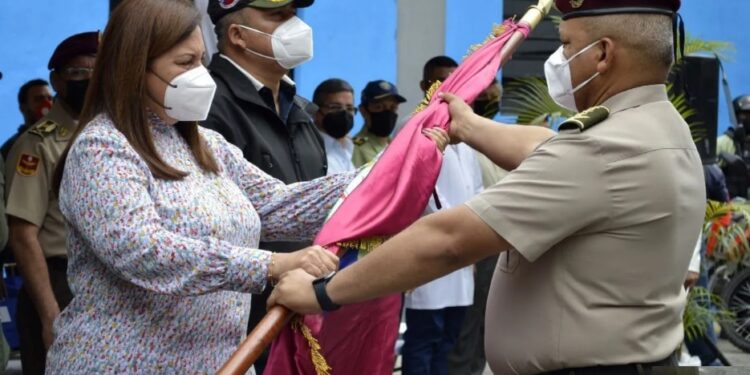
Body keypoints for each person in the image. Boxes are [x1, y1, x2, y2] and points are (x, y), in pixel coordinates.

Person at [270, 1, 706, 375]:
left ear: (604, 54)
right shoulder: (657, 126)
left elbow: (449, 240)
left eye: (569, 45)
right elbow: (550, 148)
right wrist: (470, 125)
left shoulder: (606, 150)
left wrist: (324, 292)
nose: (561, 58)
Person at [45, 2, 447, 372]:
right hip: (124, 363)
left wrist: (391, 169)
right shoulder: (104, 148)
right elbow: (140, 249)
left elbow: (277, 205)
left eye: (200, 61)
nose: (200, 76)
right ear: (134, 68)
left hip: (221, 360)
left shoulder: (204, 144)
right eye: (184, 63)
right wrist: (270, 265)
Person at [202, 2, 327, 369]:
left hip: (300, 301)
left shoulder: (300, 108)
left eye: (292, 14)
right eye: (276, 16)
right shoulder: (208, 106)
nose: (294, 26)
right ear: (238, 35)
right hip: (238, 315)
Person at [4, 31, 98, 375]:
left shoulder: (114, 134)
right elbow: (23, 234)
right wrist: (49, 315)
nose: (87, 80)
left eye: (95, 70)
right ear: (56, 80)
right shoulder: (37, 145)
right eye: (76, 73)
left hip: (103, 284)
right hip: (58, 282)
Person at [401, 56, 481, 375]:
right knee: (424, 338)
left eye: (455, 83)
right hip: (429, 249)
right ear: (425, 87)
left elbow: (475, 190)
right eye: (440, 82)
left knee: (450, 339)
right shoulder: (415, 127)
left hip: (463, 253)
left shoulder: (467, 132)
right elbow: (416, 191)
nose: (449, 91)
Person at [351, 80, 406, 167]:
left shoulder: (398, 145)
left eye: (393, 107)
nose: (387, 113)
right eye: (379, 107)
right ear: (363, 111)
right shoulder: (356, 146)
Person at [312, 79, 357, 175]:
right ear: (315, 111)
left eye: (349, 108)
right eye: (335, 107)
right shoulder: (308, 149)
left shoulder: (349, 148)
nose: (344, 113)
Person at [2, 80, 53, 159]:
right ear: (23, 108)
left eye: (50, 99)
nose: (47, 104)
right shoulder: (12, 148)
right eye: (39, 99)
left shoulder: (65, 137)